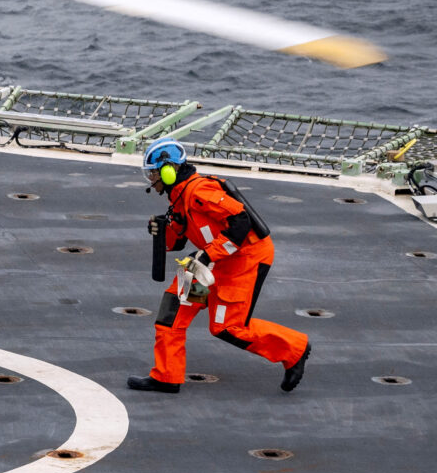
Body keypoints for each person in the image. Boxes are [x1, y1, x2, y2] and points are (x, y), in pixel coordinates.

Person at [129, 142, 310, 396]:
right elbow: (179, 241)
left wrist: (208, 255)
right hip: (210, 260)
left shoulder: (200, 191)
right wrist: (162, 231)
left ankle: (294, 349)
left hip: (244, 259)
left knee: (226, 327)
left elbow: (240, 222)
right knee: (172, 312)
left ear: (169, 171)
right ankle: (166, 376)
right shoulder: (179, 199)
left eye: (153, 174)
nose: (151, 180)